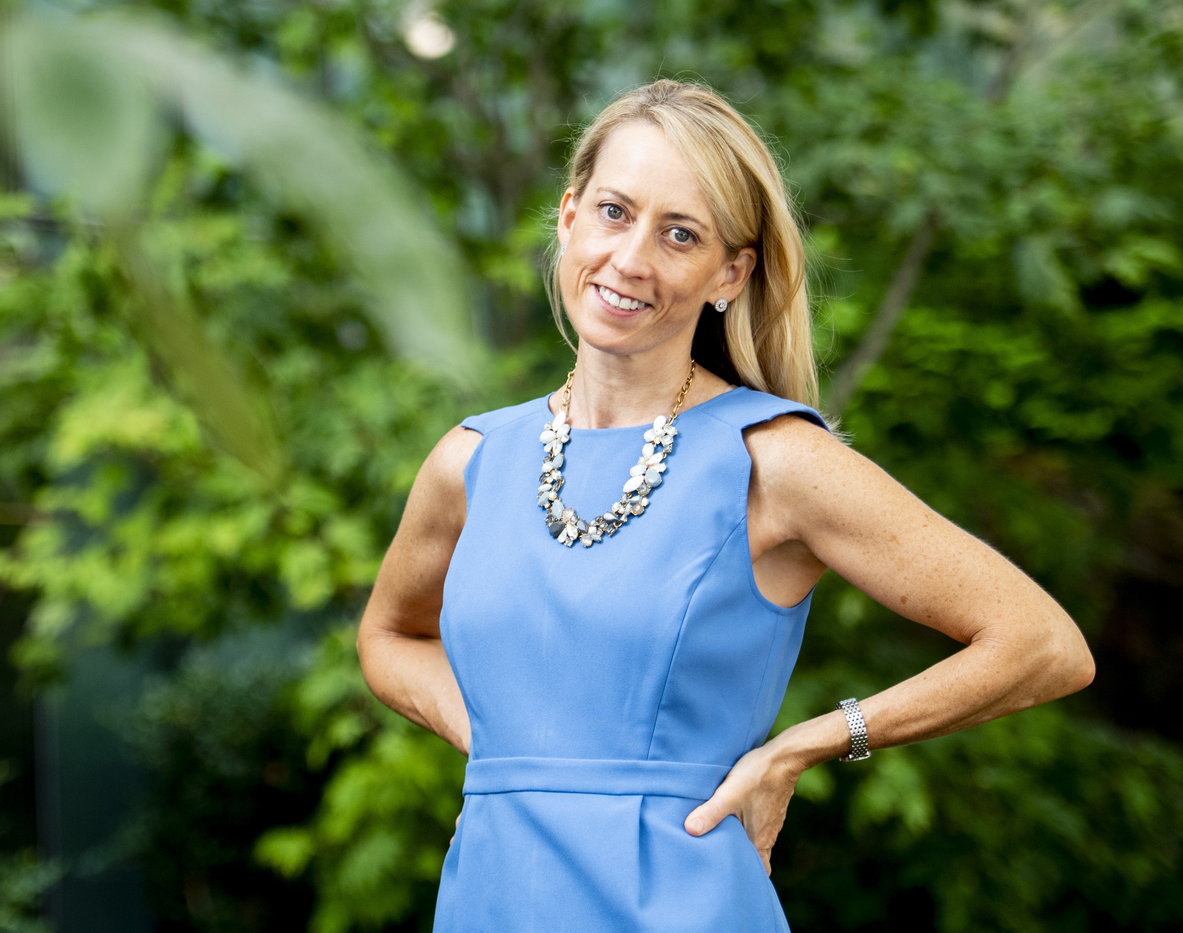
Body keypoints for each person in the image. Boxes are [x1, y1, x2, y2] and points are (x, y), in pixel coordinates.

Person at [356, 79, 1094, 932]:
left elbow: (1043, 643)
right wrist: (496, 739)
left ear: (730, 273)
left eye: (680, 235)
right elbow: (388, 635)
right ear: (566, 218)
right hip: (489, 895)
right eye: (612, 212)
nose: (631, 259)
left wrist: (807, 743)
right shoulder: (471, 461)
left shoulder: (772, 460)